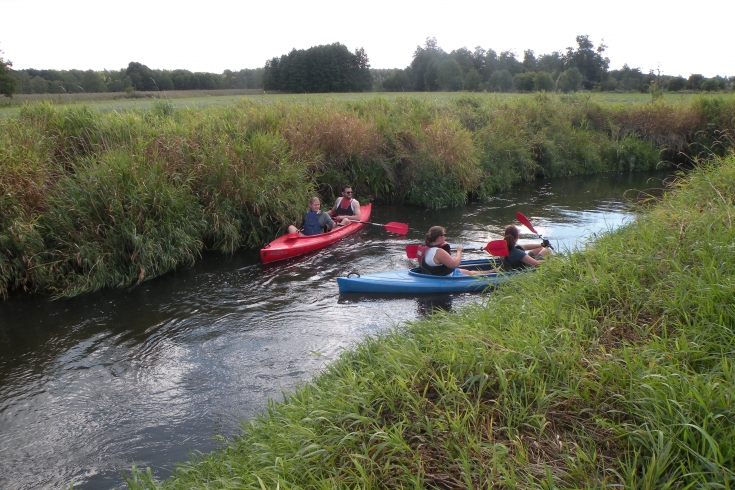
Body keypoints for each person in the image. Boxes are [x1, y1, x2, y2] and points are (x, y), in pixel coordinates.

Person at [419, 226, 490, 276]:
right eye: (444, 235)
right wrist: (459, 251)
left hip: (436, 273)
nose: (445, 237)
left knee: (467, 271)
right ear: (439, 238)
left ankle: (491, 271)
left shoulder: (427, 248)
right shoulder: (438, 251)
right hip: (446, 277)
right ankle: (492, 272)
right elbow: (455, 264)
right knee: (469, 273)